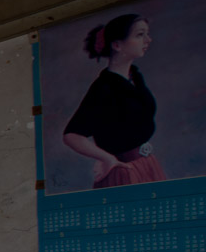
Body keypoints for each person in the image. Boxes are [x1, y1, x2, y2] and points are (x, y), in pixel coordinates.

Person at [62, 13, 167, 189]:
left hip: (147, 165)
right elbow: (71, 135)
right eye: (140, 35)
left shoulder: (135, 77)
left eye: (146, 34)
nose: (148, 40)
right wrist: (106, 157)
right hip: (124, 171)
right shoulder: (104, 87)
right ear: (117, 45)